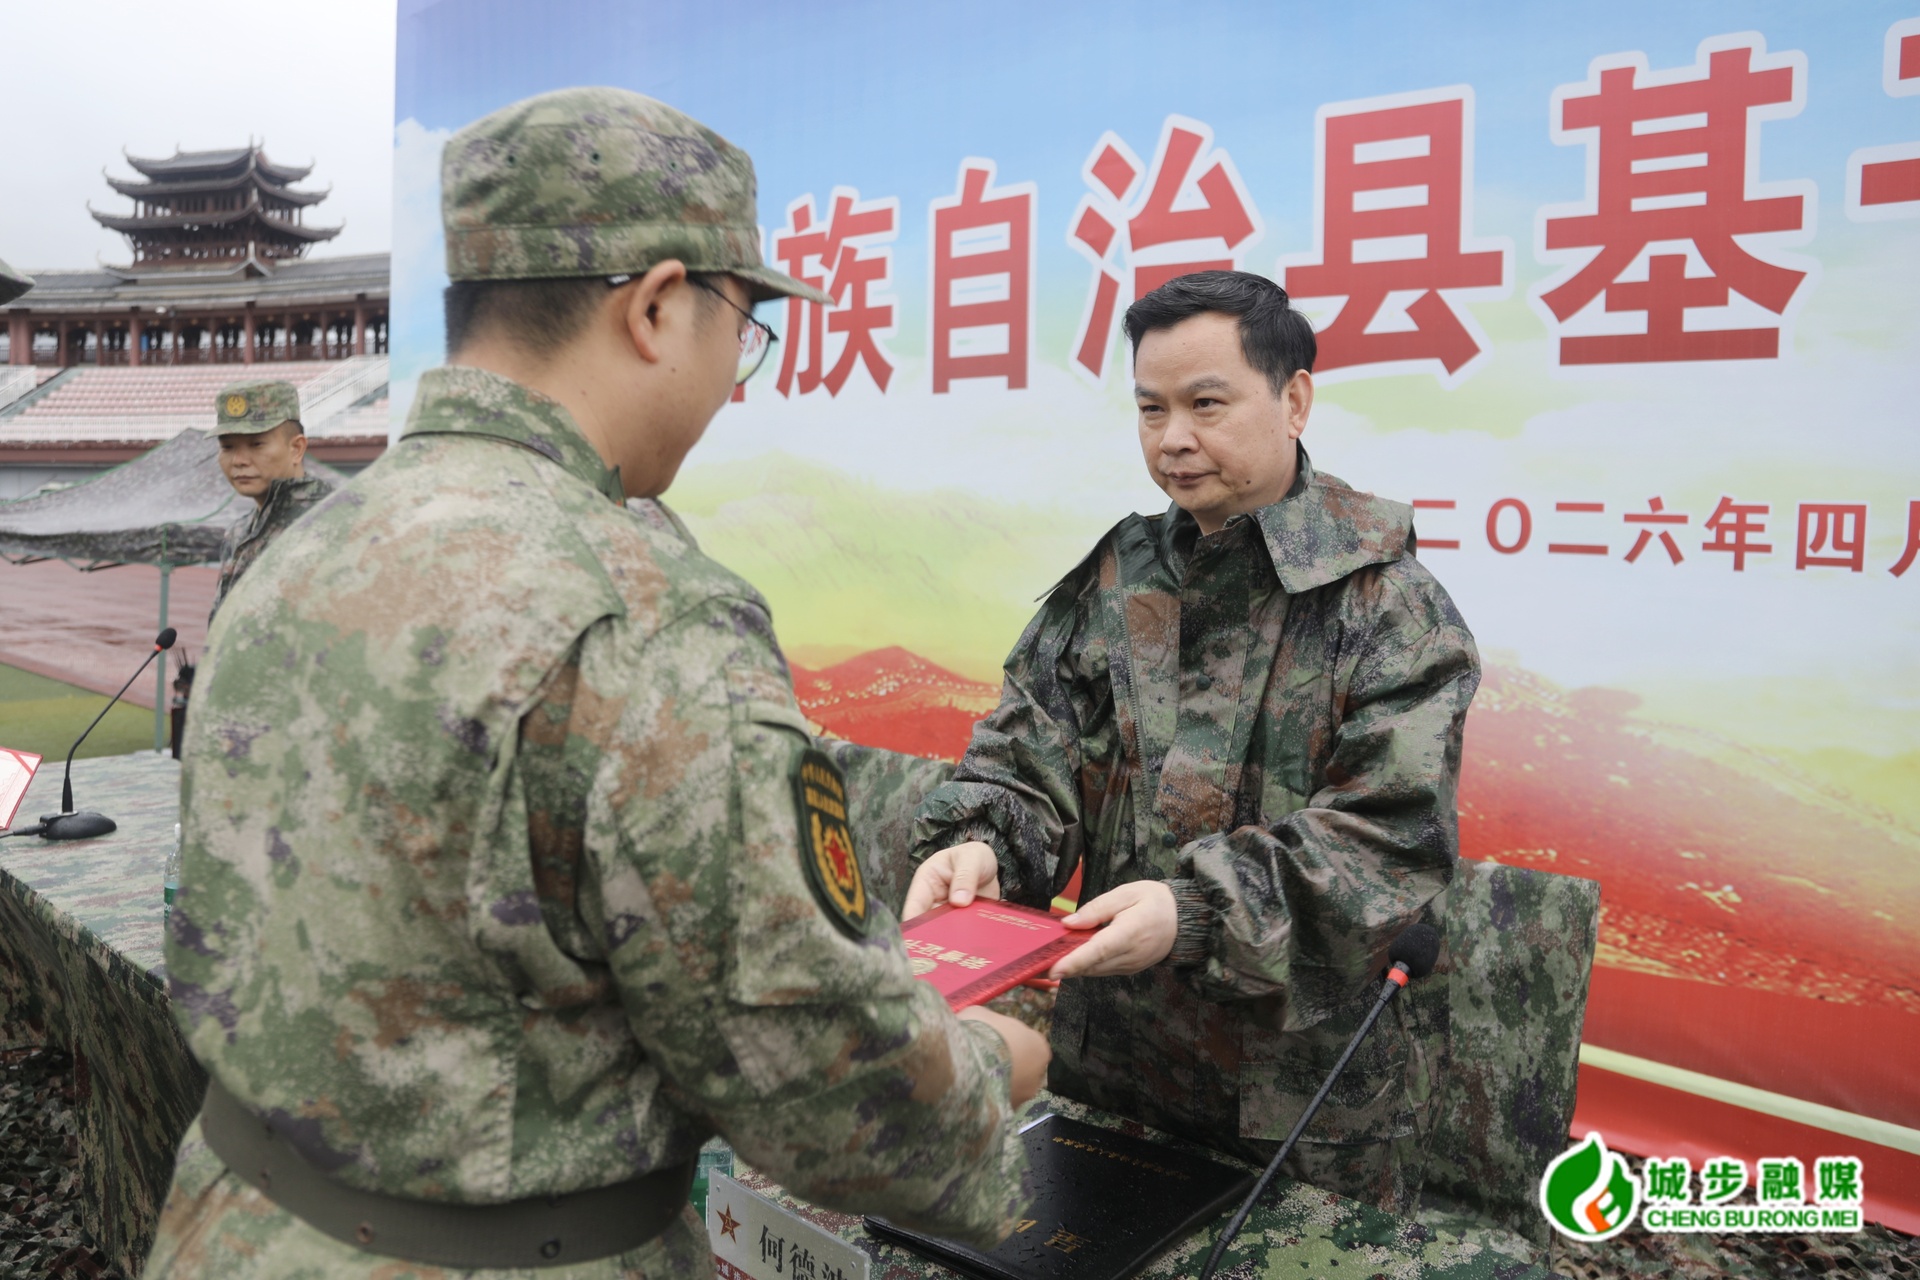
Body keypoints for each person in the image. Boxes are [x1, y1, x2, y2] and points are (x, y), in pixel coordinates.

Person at [149, 87, 1046, 1279]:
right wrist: (989, 1063)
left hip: (233, 1223)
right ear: (660, 304)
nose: (741, 368)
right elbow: (831, 1091)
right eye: (746, 325)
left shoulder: (309, 545)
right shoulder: (645, 609)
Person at [906, 270, 1479, 1214]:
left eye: (1206, 404)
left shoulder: (1386, 605)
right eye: (1151, 409)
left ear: (1293, 398)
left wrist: (1197, 912)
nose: (1174, 439)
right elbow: (1029, 750)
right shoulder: (1117, 577)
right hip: (1111, 1072)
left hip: (1297, 1107)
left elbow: (1388, 839)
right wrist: (982, 843)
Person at [206, 379, 334, 619]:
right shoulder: (239, 531)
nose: (239, 460)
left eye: (256, 444)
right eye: (227, 447)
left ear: (296, 449)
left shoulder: (332, 520)